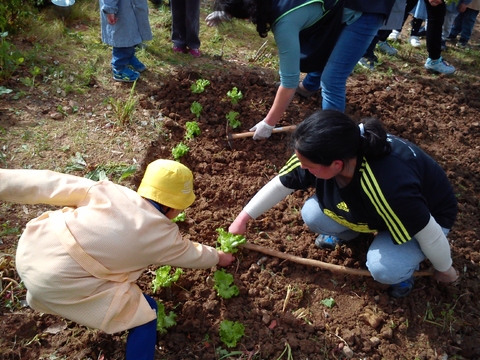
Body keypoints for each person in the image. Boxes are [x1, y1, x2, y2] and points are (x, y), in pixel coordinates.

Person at [0, 159, 235, 360]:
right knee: (146, 314)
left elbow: (46, 183)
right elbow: (193, 255)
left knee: (71, 264)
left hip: (32, 248)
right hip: (55, 282)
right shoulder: (163, 236)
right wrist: (219, 257)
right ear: (174, 208)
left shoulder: (108, 190)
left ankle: (39, 292)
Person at [229, 109, 458, 298]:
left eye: (308, 166)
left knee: (384, 268)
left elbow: (430, 234)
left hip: (426, 218)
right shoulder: (322, 149)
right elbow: (282, 184)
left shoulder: (388, 184)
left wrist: (445, 269)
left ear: (336, 164)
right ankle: (357, 235)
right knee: (313, 214)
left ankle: (403, 269)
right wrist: (243, 218)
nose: (302, 168)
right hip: (381, 209)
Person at [206, 0, 396, 140]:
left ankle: (332, 135)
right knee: (325, 47)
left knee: (332, 79)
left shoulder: (284, 23)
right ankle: (309, 87)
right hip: (339, 7)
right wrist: (227, 12)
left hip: (367, 8)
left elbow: (288, 83)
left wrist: (268, 123)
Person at [100, 0, 153, 82]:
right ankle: (119, 68)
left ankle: (128, 57)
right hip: (120, 8)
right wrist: (110, 9)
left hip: (133, 5)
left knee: (133, 34)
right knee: (123, 37)